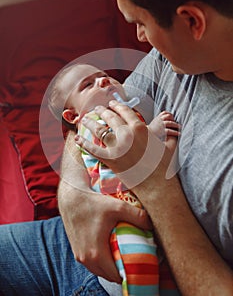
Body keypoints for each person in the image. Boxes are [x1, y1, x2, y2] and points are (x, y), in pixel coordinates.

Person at [0, 0, 233, 295]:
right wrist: (75, 199)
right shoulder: (180, 57)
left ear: (192, 21)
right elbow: (89, 121)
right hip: (65, 244)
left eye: (140, 23)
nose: (140, 38)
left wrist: (155, 185)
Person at [48, 62, 180, 296]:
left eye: (105, 75)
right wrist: (154, 130)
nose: (104, 81)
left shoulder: (122, 113)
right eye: (88, 85)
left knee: (167, 278)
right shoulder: (92, 122)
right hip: (121, 210)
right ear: (74, 115)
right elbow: (123, 144)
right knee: (138, 265)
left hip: (148, 211)